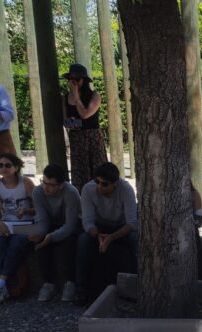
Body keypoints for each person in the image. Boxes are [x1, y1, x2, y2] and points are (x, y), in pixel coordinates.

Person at [77, 162, 139, 303]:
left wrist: (111, 237)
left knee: (135, 240)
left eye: (104, 184)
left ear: (115, 184)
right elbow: (87, 221)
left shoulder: (126, 190)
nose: (99, 187)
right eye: (97, 182)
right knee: (83, 241)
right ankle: (81, 289)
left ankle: (135, 287)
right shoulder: (88, 189)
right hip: (99, 228)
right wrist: (97, 235)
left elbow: (132, 223)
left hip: (121, 227)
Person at [0, 153, 36, 304]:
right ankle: (0, 287)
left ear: (16, 167)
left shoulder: (26, 183)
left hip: (27, 224)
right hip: (7, 223)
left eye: (8, 165)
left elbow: (39, 208)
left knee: (15, 245)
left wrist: (26, 211)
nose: (3, 168)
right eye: (0, 165)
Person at [29, 164, 82, 303]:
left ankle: (70, 282)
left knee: (69, 242)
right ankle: (48, 283)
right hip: (50, 224)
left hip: (70, 225)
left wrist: (51, 237)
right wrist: (40, 234)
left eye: (51, 185)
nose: (46, 187)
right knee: (40, 242)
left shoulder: (71, 193)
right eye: (44, 182)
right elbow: (42, 219)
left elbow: (70, 225)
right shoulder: (38, 192)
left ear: (61, 185)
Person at [62, 64, 108, 192]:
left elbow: (85, 114)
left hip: (93, 137)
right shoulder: (65, 98)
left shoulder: (95, 96)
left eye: (77, 79)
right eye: (71, 79)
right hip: (77, 139)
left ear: (84, 80)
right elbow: (66, 122)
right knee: (79, 172)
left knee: (99, 170)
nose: (73, 83)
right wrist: (79, 123)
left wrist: (76, 98)